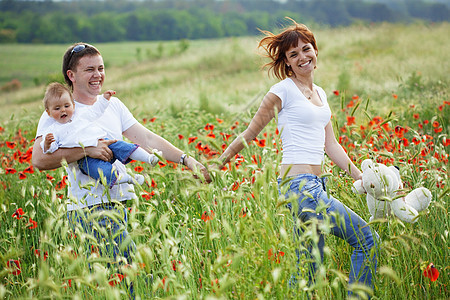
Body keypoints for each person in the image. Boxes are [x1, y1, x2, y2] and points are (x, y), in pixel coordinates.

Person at [32, 42, 210, 297]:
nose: (98, 75)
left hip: (122, 203)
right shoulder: (59, 110)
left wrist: (186, 159)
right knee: (129, 281)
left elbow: (147, 138)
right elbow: (38, 160)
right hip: (90, 208)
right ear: (71, 75)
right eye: (90, 70)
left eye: (101, 68)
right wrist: (87, 150)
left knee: (125, 280)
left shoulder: (112, 105)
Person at [217, 19, 378, 297]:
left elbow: (331, 144)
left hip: (318, 185)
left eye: (306, 49)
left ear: (315, 50)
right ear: (287, 62)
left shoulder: (321, 94)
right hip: (300, 187)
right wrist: (216, 164)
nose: (302, 57)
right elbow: (250, 133)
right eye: (293, 54)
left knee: (309, 269)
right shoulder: (283, 91)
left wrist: (361, 177)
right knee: (366, 240)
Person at [41, 82, 161, 188]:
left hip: (103, 141)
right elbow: (51, 150)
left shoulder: (80, 116)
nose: (63, 110)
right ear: (48, 112)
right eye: (57, 108)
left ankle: (149, 158)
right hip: (85, 159)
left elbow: (95, 111)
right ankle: (129, 178)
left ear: (73, 105)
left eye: (67, 106)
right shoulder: (53, 130)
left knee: (124, 147)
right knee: (103, 172)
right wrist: (47, 144)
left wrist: (104, 99)